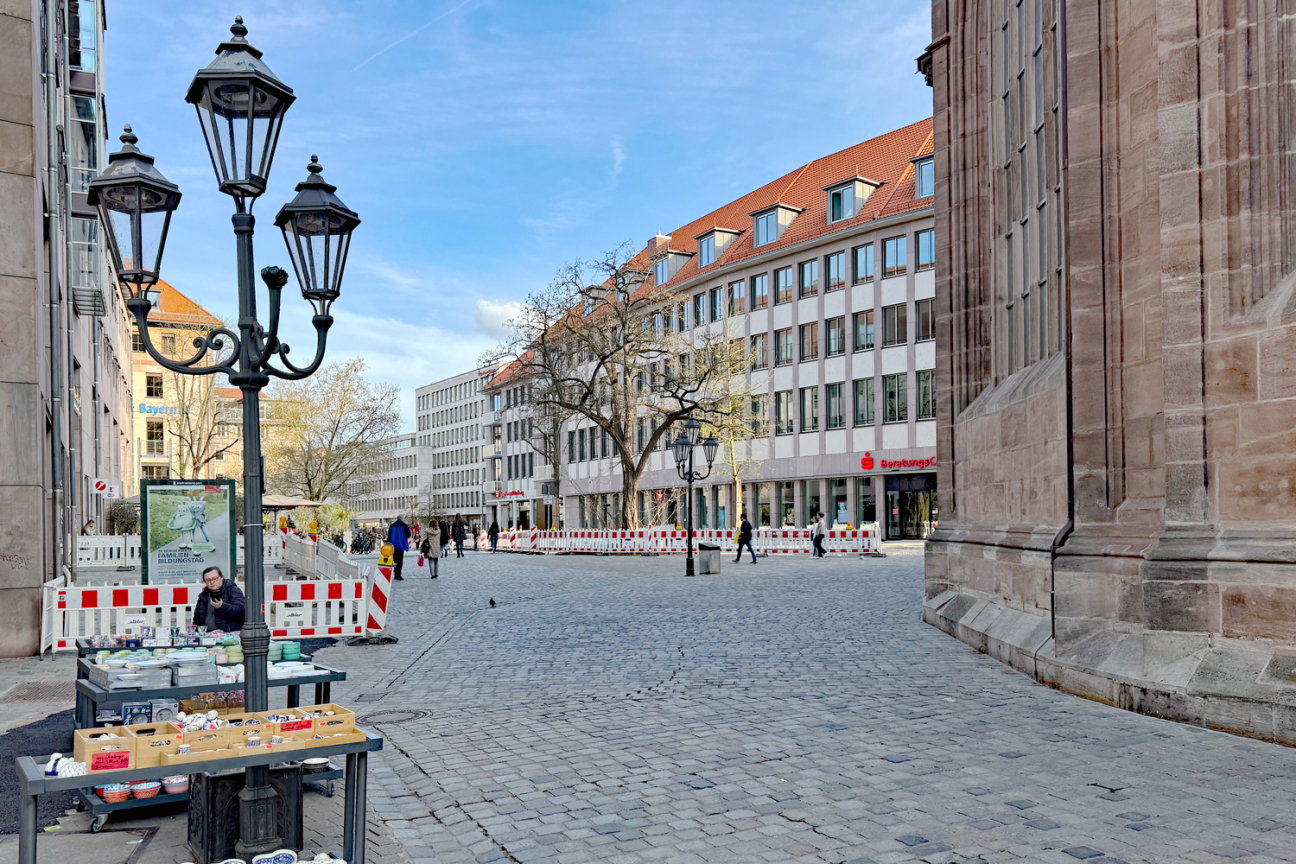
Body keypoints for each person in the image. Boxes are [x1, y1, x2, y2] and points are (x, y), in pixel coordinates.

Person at [192, 566, 246, 632]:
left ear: (221, 577)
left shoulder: (232, 590)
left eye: (215, 578)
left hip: (229, 636)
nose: (212, 582)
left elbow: (241, 610)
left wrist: (222, 606)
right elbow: (197, 619)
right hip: (207, 636)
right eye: (208, 580)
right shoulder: (203, 596)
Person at [387, 516, 410, 580]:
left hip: (393, 545)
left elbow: (389, 536)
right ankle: (398, 573)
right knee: (400, 560)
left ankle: (395, 571)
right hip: (401, 545)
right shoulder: (404, 525)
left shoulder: (392, 526)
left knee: (395, 560)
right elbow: (408, 534)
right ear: (402, 519)